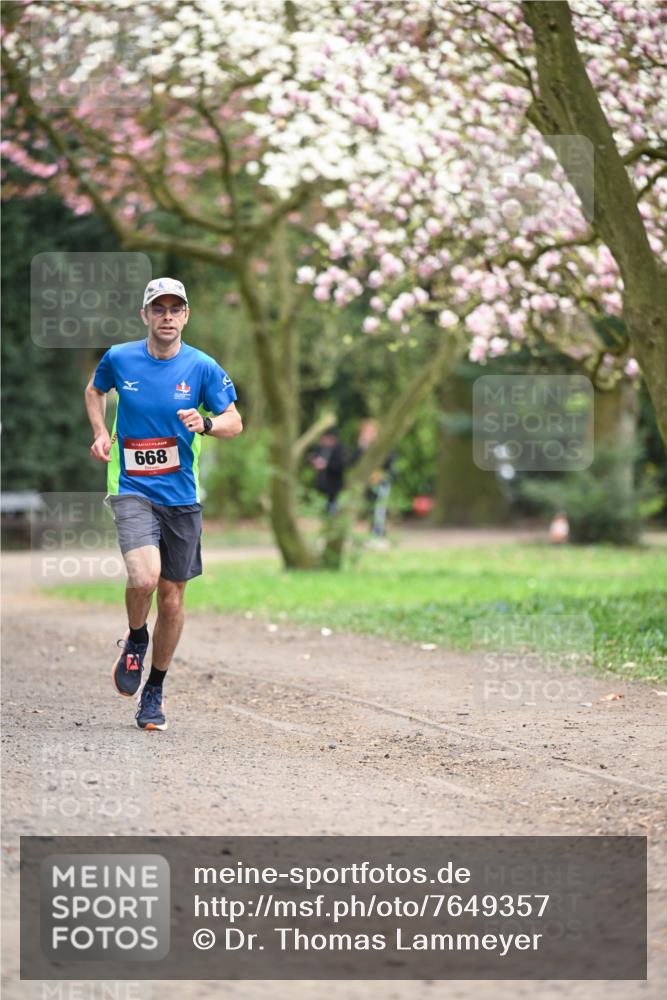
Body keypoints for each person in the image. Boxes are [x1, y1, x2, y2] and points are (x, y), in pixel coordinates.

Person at [84, 277, 242, 732]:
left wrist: (207, 423)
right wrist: (99, 431)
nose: (167, 316)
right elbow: (96, 390)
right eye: (159, 309)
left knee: (171, 600)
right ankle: (136, 639)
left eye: (176, 309)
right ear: (146, 315)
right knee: (144, 575)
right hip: (132, 485)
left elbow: (235, 420)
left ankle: (154, 689)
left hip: (182, 496)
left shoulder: (204, 367)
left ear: (186, 316)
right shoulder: (119, 357)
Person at [351, 418, 397, 544]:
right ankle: (372, 533)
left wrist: (381, 475)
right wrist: (362, 448)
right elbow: (353, 463)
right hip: (365, 483)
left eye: (370, 431)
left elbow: (390, 463)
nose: (367, 434)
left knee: (379, 508)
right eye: (365, 431)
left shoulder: (383, 446)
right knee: (369, 508)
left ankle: (378, 534)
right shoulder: (361, 447)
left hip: (381, 482)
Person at [309, 427, 347, 514]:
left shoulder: (340, 449)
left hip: (334, 484)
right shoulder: (321, 447)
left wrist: (326, 465)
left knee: (332, 506)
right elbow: (312, 456)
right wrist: (313, 461)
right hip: (321, 483)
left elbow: (342, 464)